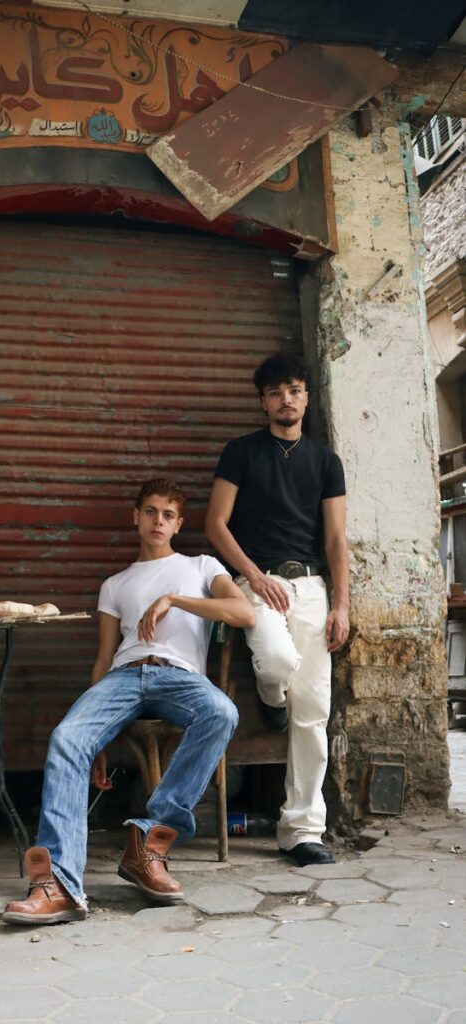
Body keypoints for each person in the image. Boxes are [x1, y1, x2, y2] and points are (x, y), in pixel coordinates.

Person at [3, 478, 252, 926]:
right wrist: (97, 741)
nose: (158, 521)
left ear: (179, 523)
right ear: (135, 517)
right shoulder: (114, 584)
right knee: (66, 738)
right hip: (123, 677)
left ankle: (149, 843)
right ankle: (58, 885)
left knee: (222, 711)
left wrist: (175, 600)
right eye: (151, 511)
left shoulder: (200, 566)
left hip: (178, 677)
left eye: (168, 514)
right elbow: (102, 659)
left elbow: (244, 613)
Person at [205, 353, 349, 868]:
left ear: (306, 396)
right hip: (253, 581)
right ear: (262, 401)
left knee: (313, 710)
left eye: (293, 389)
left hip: (310, 587)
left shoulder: (326, 462)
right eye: (274, 392)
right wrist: (256, 576)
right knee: (277, 663)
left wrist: (341, 604)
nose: (285, 399)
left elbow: (335, 537)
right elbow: (216, 525)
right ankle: (271, 695)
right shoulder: (241, 453)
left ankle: (302, 830)